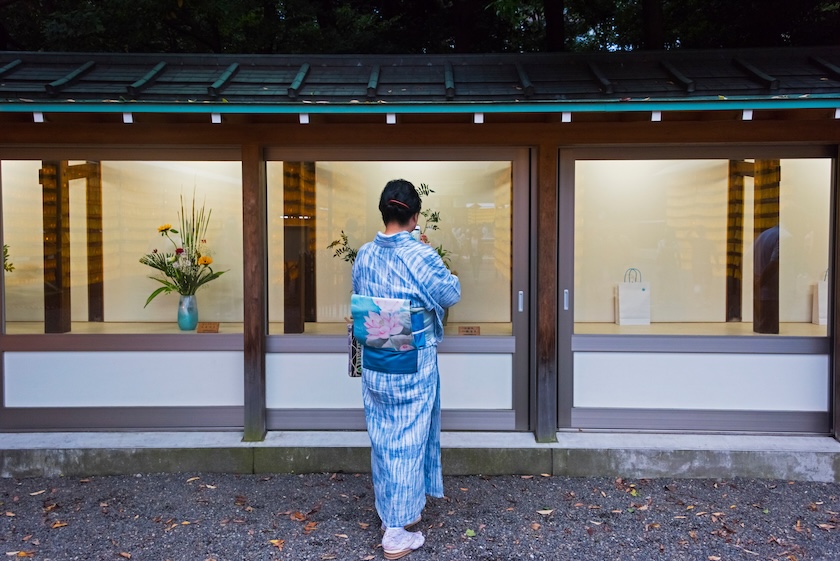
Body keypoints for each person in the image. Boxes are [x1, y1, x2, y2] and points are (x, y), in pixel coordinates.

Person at [351, 179, 461, 559]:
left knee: (385, 437)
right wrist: (431, 254)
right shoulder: (419, 255)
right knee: (408, 440)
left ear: (384, 212)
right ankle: (395, 532)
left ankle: (395, 513)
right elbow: (450, 294)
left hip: (377, 355)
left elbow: (360, 302)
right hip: (411, 357)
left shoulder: (364, 254)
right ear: (414, 217)